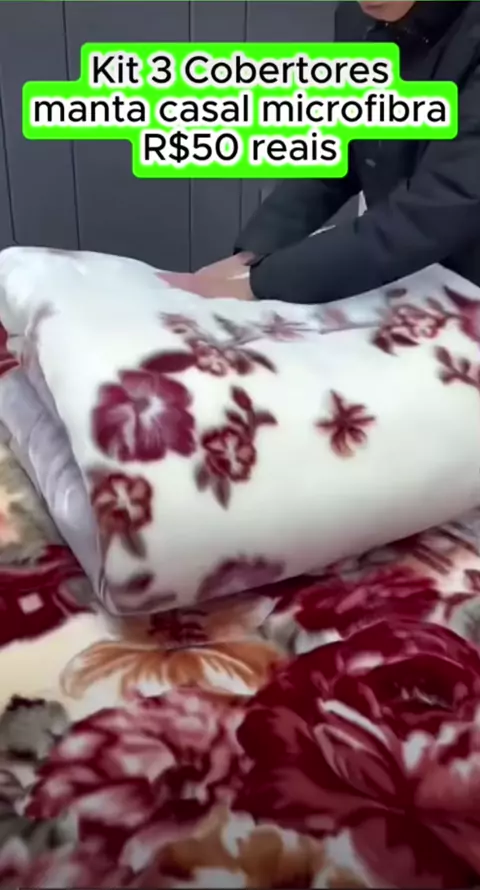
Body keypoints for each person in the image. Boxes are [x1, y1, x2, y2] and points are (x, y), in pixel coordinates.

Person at [163, 0, 480, 305]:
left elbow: (440, 204)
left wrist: (263, 282)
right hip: (412, 273)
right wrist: (254, 252)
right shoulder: (357, 19)